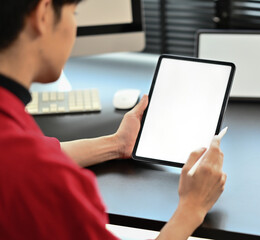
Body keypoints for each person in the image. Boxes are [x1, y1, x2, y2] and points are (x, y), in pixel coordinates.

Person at [0, 0, 227, 239]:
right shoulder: (48, 183)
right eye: (73, 13)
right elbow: (31, 163)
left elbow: (30, 152)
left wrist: (117, 144)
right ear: (43, 14)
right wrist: (192, 209)